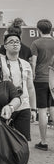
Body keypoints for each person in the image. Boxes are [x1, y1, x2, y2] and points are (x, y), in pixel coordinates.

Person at [0, 32, 37, 164]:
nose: (15, 44)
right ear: (5, 46)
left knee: (23, 139)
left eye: (17, 42)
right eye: (11, 41)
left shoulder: (26, 64)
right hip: (5, 106)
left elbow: (30, 87)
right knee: (3, 138)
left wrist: (34, 108)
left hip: (24, 106)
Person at [30, 19, 54, 151]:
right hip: (53, 79)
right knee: (53, 108)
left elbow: (33, 62)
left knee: (42, 111)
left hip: (40, 79)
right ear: (50, 29)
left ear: (38, 30)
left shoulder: (36, 43)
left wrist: (33, 75)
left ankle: (43, 142)